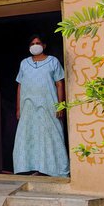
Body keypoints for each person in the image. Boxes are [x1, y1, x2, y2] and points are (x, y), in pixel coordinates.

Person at [13, 33, 70, 177]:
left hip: (49, 106)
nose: (35, 46)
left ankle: (57, 170)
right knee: (29, 135)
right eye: (32, 44)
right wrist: (19, 108)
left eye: (37, 43)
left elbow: (59, 83)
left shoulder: (53, 61)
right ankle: (32, 167)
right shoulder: (24, 63)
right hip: (29, 107)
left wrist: (60, 105)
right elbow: (20, 85)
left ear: (44, 45)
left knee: (52, 135)